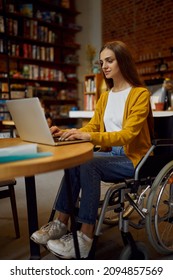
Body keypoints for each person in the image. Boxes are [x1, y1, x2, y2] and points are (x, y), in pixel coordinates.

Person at [31, 40, 154, 259]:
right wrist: (68, 132)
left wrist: (88, 136)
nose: (104, 66)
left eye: (110, 60)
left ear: (122, 61)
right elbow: (93, 127)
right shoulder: (106, 96)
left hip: (132, 158)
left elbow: (127, 135)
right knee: (74, 156)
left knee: (88, 161)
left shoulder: (140, 94)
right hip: (110, 154)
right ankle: (60, 223)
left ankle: (85, 236)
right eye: (101, 62)